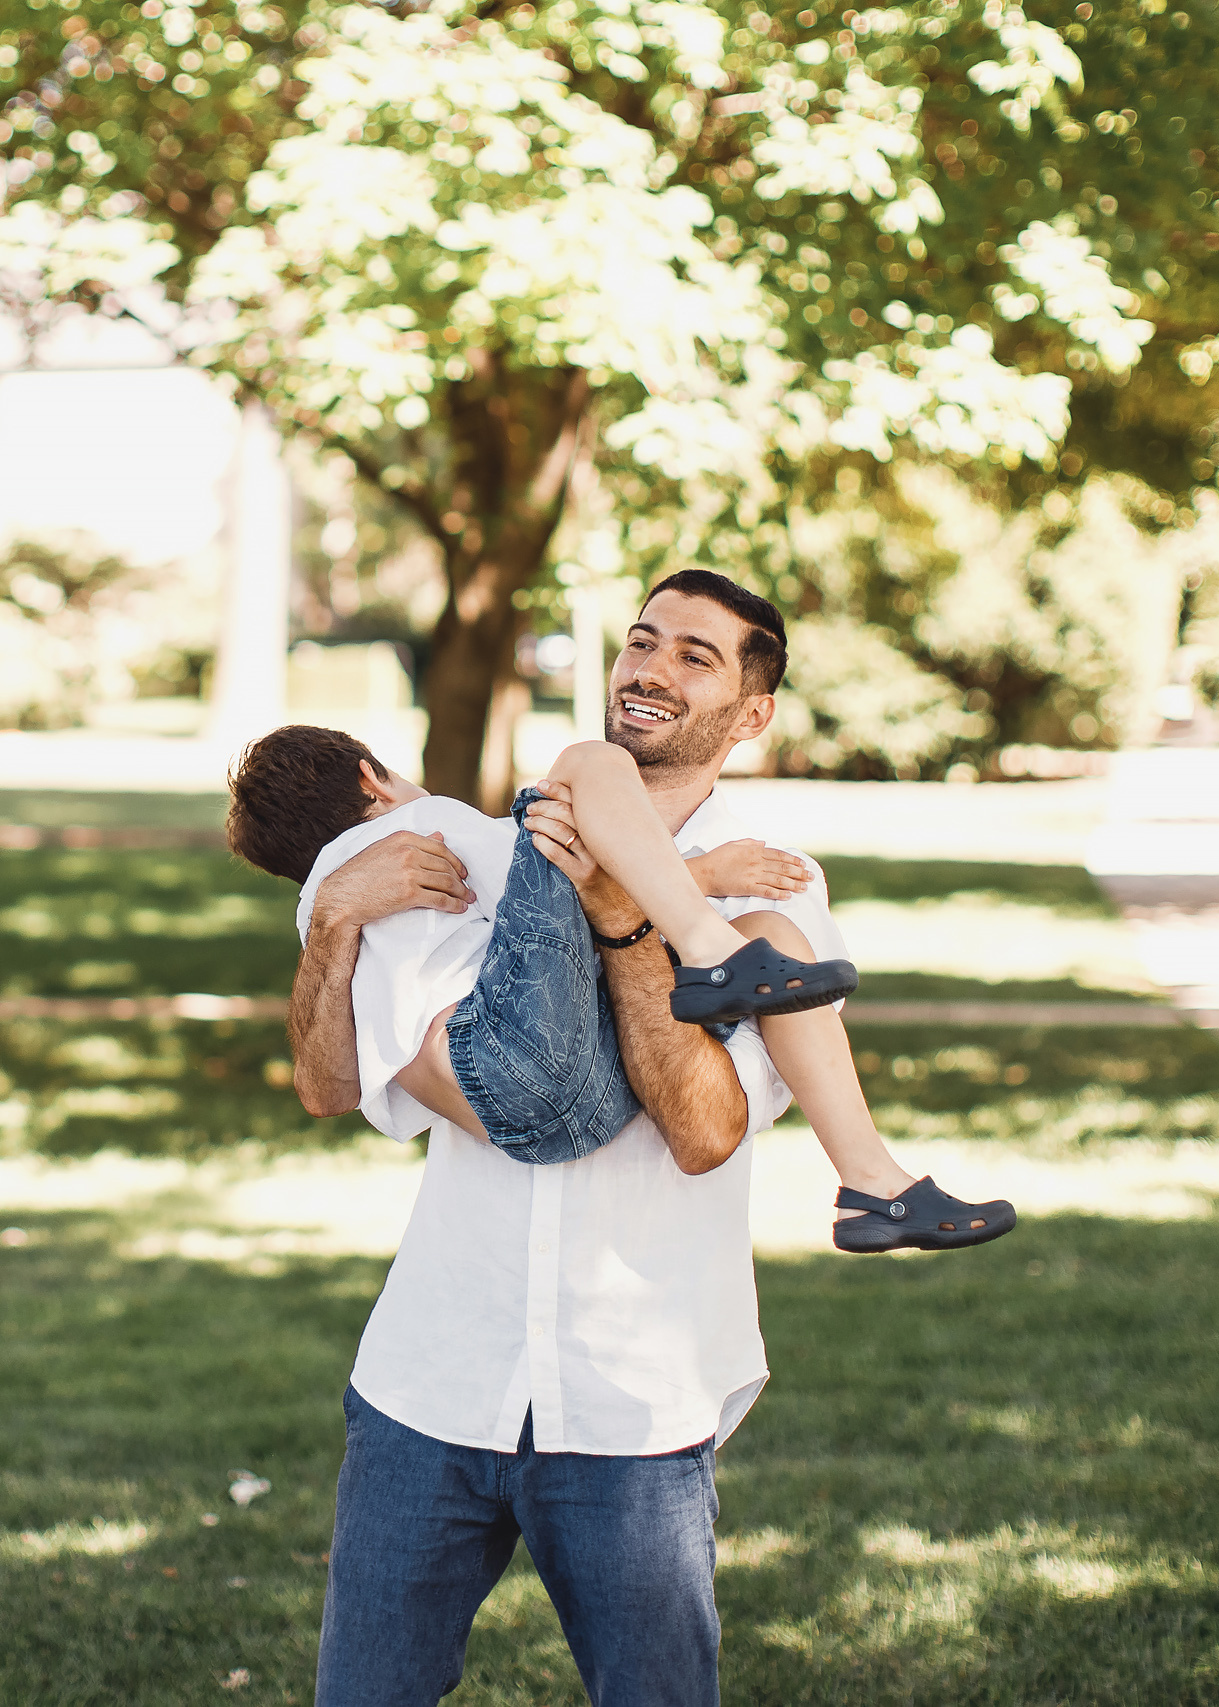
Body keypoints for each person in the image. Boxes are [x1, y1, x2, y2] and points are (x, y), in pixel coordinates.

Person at [240, 571, 1005, 1705]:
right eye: (641, 641)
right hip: (431, 1379)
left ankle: (870, 1179)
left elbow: (704, 1132)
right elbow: (357, 1075)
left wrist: (621, 911)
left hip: (632, 1400)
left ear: (752, 713)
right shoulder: (481, 834)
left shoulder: (782, 888)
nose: (649, 665)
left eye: (696, 655)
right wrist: (338, 915)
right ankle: (870, 1171)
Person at [227, 727, 1012, 1251]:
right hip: (512, 1051)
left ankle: (875, 1186)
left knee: (773, 937)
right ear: (373, 775)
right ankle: (714, 958)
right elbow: (556, 873)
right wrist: (705, 877)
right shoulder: (408, 830)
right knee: (586, 767)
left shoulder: (335, 917)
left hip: (565, 1113)